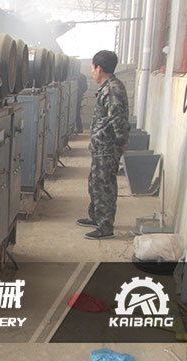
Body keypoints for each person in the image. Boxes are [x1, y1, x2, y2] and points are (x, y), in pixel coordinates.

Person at [77, 50, 130, 240]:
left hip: (108, 147)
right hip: (101, 146)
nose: (92, 72)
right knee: (95, 183)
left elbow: (117, 118)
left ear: (99, 68)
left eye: (92, 68)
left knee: (105, 186)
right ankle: (96, 216)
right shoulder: (109, 87)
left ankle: (105, 227)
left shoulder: (113, 89)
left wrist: (122, 141)